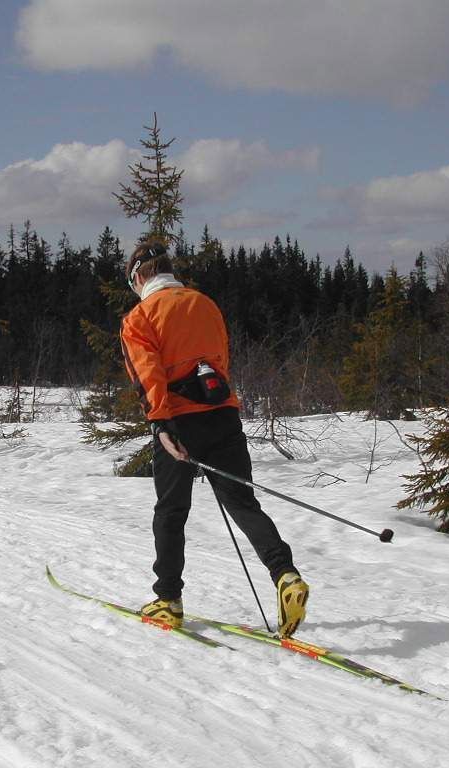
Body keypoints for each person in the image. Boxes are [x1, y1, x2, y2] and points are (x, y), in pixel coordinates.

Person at [120, 240, 308, 638]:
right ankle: (285, 574)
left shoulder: (140, 316)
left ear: (139, 276)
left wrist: (161, 425)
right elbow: (219, 359)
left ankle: (168, 601)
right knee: (242, 501)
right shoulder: (205, 304)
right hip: (223, 414)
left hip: (178, 421)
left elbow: (147, 374)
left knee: (171, 512)